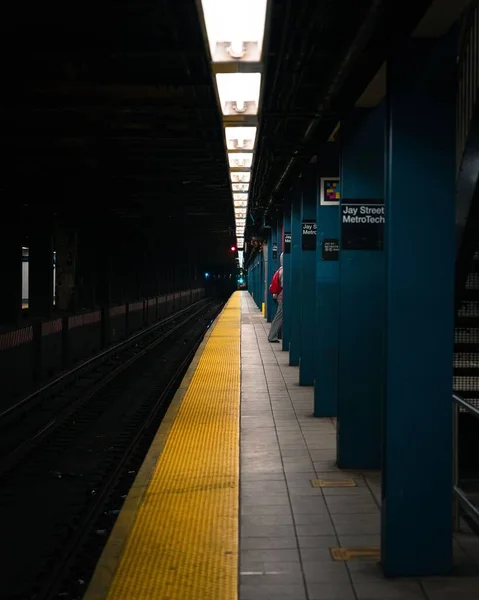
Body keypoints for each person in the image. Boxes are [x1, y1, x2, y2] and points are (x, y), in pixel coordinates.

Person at [268, 253, 283, 343]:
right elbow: (283, 285)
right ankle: (272, 336)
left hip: (279, 296)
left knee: (279, 316)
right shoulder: (284, 271)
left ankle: (274, 335)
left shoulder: (279, 269)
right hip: (282, 297)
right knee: (279, 317)